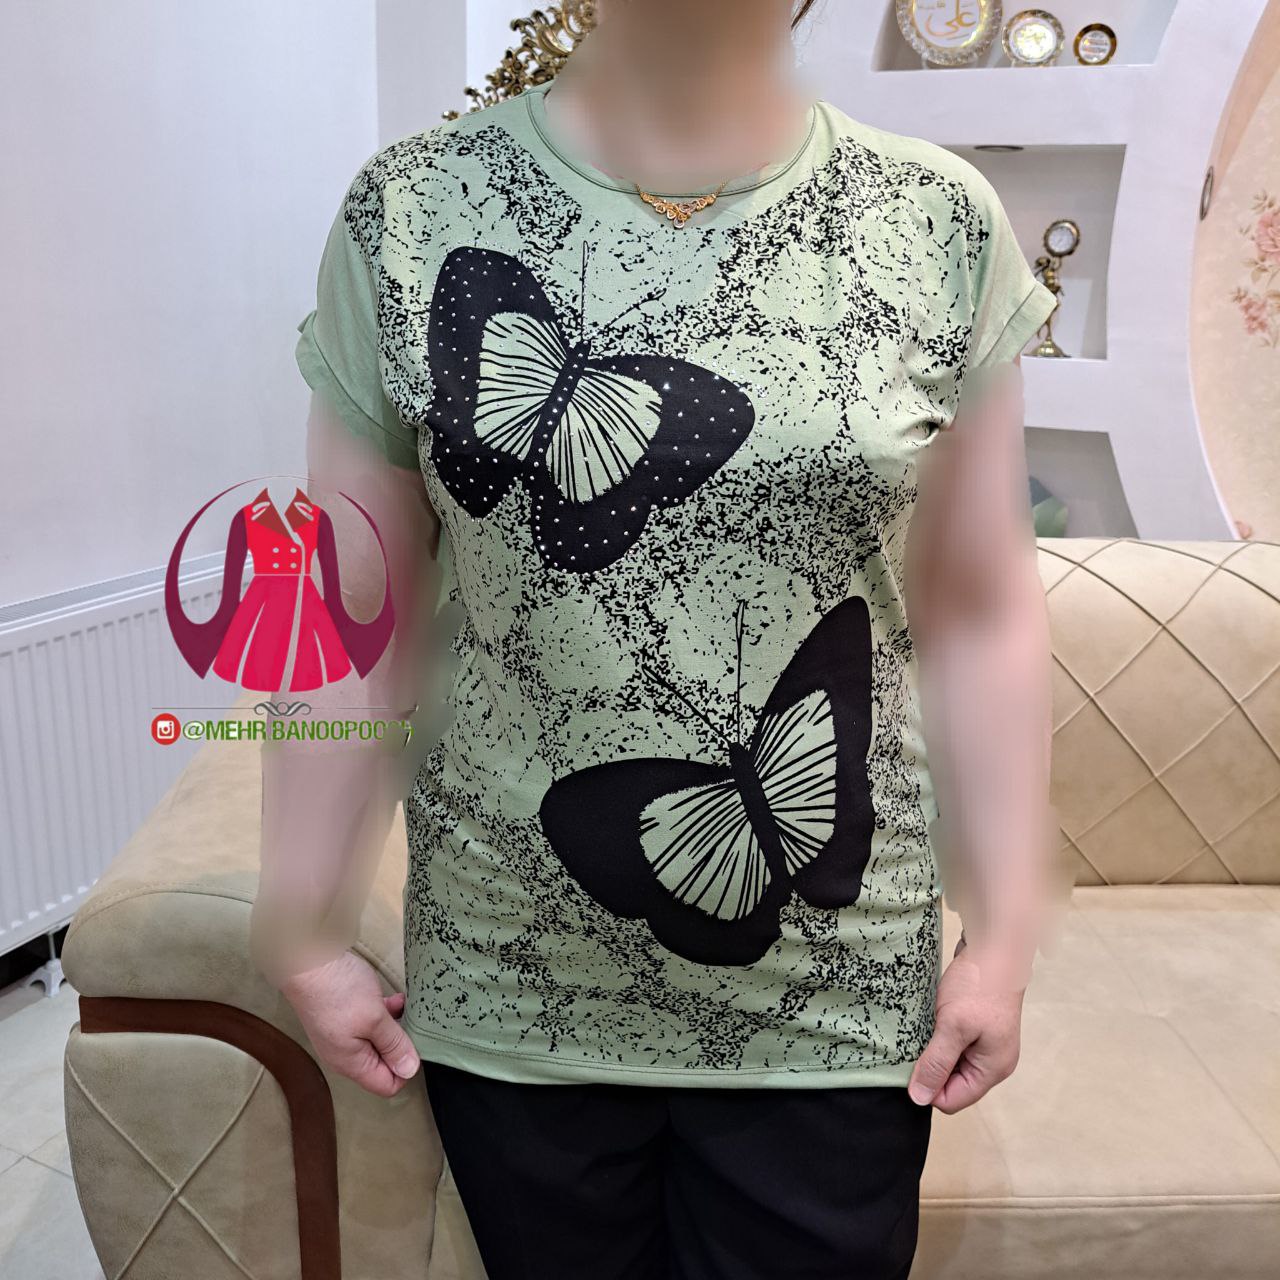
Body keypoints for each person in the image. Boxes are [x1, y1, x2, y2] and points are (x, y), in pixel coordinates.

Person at [253, 1, 1062, 1276]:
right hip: (513, 971)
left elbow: (978, 604)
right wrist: (300, 925)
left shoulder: (932, 219)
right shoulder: (411, 210)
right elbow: (351, 610)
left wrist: (1003, 936)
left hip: (835, 992)